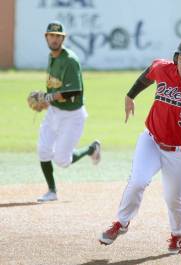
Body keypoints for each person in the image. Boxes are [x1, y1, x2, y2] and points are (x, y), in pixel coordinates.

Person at [98, 36, 181, 254]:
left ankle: (177, 235)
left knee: (173, 199)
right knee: (137, 181)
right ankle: (121, 223)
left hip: (179, 151)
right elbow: (148, 74)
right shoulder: (164, 68)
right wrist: (130, 95)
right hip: (151, 139)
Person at [36, 21, 101, 202]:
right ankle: (51, 191)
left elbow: (74, 91)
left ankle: (91, 149)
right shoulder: (52, 57)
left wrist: (47, 98)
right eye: (51, 35)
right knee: (43, 150)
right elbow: (53, 87)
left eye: (58, 36)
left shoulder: (70, 60)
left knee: (62, 161)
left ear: (63, 38)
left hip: (72, 115)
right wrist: (46, 102)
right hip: (54, 112)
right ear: (46, 37)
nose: (54, 39)